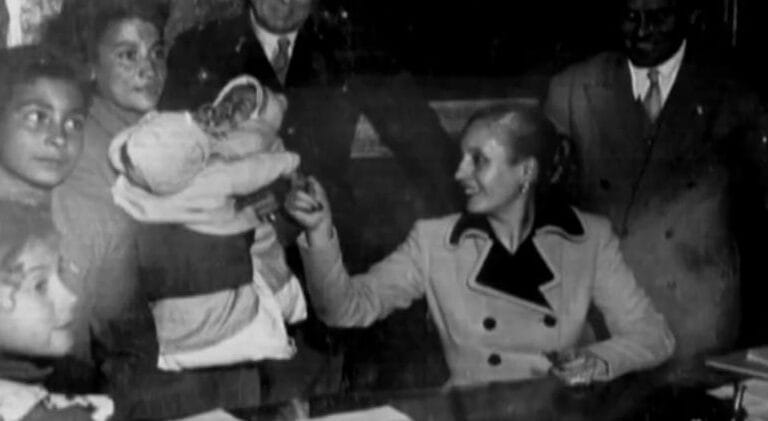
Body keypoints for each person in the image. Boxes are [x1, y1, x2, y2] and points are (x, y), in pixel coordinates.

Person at [161, 0, 462, 396]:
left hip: (323, 249)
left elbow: (424, 143)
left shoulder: (349, 45)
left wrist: (471, 219)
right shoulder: (200, 49)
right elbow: (171, 157)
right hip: (235, 249)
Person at [286, 104, 675, 386]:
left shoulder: (589, 238)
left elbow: (654, 335)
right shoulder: (435, 241)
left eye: (478, 161)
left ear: (526, 171)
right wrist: (319, 232)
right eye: (462, 159)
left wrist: (597, 361)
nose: (459, 173)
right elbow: (344, 310)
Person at [44, 0, 273, 417]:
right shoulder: (86, 149)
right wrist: (233, 237)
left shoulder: (166, 129)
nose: (148, 69)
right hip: (153, 379)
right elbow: (111, 288)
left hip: (221, 351)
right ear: (90, 66)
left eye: (156, 53)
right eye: (127, 55)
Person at [544, 0, 768, 362]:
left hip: (695, 319)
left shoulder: (732, 94)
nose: (643, 30)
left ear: (690, 15)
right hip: (604, 318)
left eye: (659, 17)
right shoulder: (572, 89)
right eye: (631, 17)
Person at [0, 44, 113, 421]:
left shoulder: (91, 218)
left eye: (74, 123)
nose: (59, 138)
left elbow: (124, 343)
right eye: (37, 117)